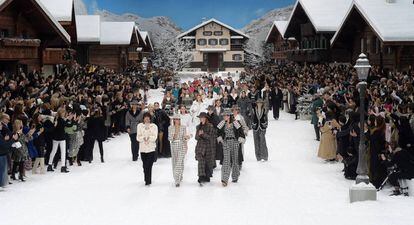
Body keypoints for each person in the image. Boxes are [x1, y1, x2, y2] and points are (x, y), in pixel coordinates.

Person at [217, 109, 245, 186]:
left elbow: (241, 132)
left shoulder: (236, 122)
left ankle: (235, 176)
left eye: (225, 115)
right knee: (226, 160)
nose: (224, 117)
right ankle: (224, 179)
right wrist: (220, 139)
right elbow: (218, 132)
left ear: (229, 116)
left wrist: (240, 140)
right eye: (224, 116)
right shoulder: (222, 123)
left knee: (235, 160)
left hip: (235, 142)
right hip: (226, 143)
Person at [168, 114, 190, 187]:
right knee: (175, 162)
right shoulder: (170, 127)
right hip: (173, 145)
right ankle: (178, 177)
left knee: (180, 162)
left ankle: (177, 180)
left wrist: (186, 144)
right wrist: (175, 134)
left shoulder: (183, 127)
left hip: (182, 145)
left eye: (178, 119)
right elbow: (169, 138)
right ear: (173, 120)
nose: (177, 120)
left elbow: (184, 137)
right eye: (175, 119)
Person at [137, 112, 158, 186]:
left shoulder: (154, 126)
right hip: (143, 149)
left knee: (149, 165)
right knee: (144, 165)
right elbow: (138, 137)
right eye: (145, 118)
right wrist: (144, 138)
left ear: (150, 118)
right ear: (143, 118)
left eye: (148, 118)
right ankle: (146, 178)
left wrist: (148, 138)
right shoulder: (139, 126)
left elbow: (155, 136)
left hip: (151, 148)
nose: (146, 119)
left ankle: (148, 180)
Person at [195, 112, 216, 185]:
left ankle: (206, 176)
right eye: (201, 118)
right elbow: (196, 138)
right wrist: (199, 134)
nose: (202, 119)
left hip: (208, 147)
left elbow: (211, 137)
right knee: (201, 161)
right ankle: (201, 177)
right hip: (200, 147)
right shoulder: (198, 127)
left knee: (207, 162)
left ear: (206, 118)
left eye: (203, 117)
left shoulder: (210, 126)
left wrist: (203, 134)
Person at [48, 108, 71, 173]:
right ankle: (63, 167)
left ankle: (49, 165)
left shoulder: (56, 119)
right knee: (63, 152)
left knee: (53, 151)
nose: (64, 114)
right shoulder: (61, 120)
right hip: (61, 138)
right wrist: (70, 119)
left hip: (55, 138)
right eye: (64, 112)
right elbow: (69, 125)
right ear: (61, 113)